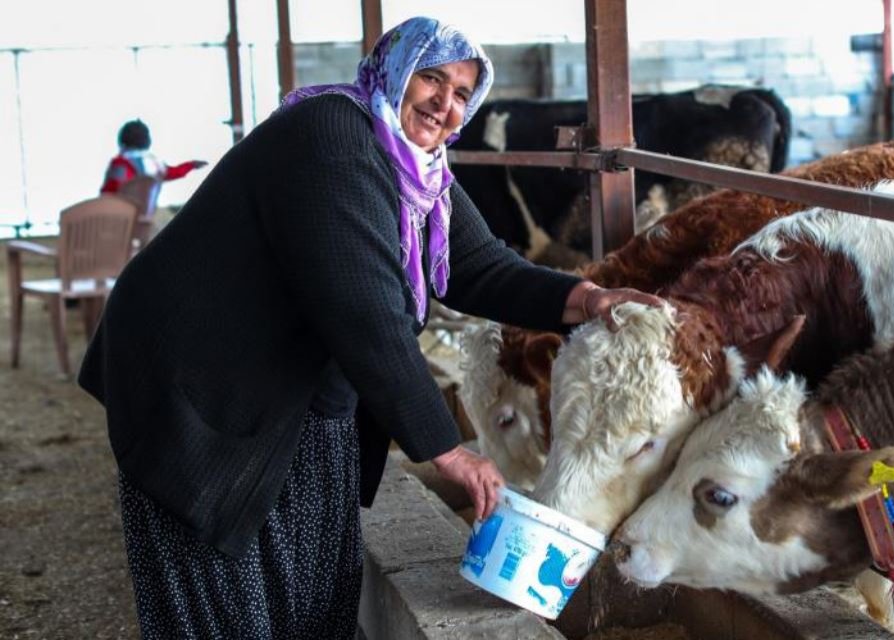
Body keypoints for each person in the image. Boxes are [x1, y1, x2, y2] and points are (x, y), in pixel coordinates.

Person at [78, 16, 663, 639]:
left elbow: (480, 265)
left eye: (463, 92)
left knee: (318, 579)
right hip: (201, 382)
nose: (445, 103)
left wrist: (589, 297)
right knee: (219, 584)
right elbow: (364, 309)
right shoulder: (334, 135)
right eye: (431, 79)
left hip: (295, 387)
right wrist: (447, 450)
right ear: (394, 70)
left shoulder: (419, 170)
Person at [100, 119, 207, 194]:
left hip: (114, 216)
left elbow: (111, 190)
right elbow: (175, 172)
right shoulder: (155, 164)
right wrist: (191, 165)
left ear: (122, 139)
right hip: (143, 219)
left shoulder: (121, 162)